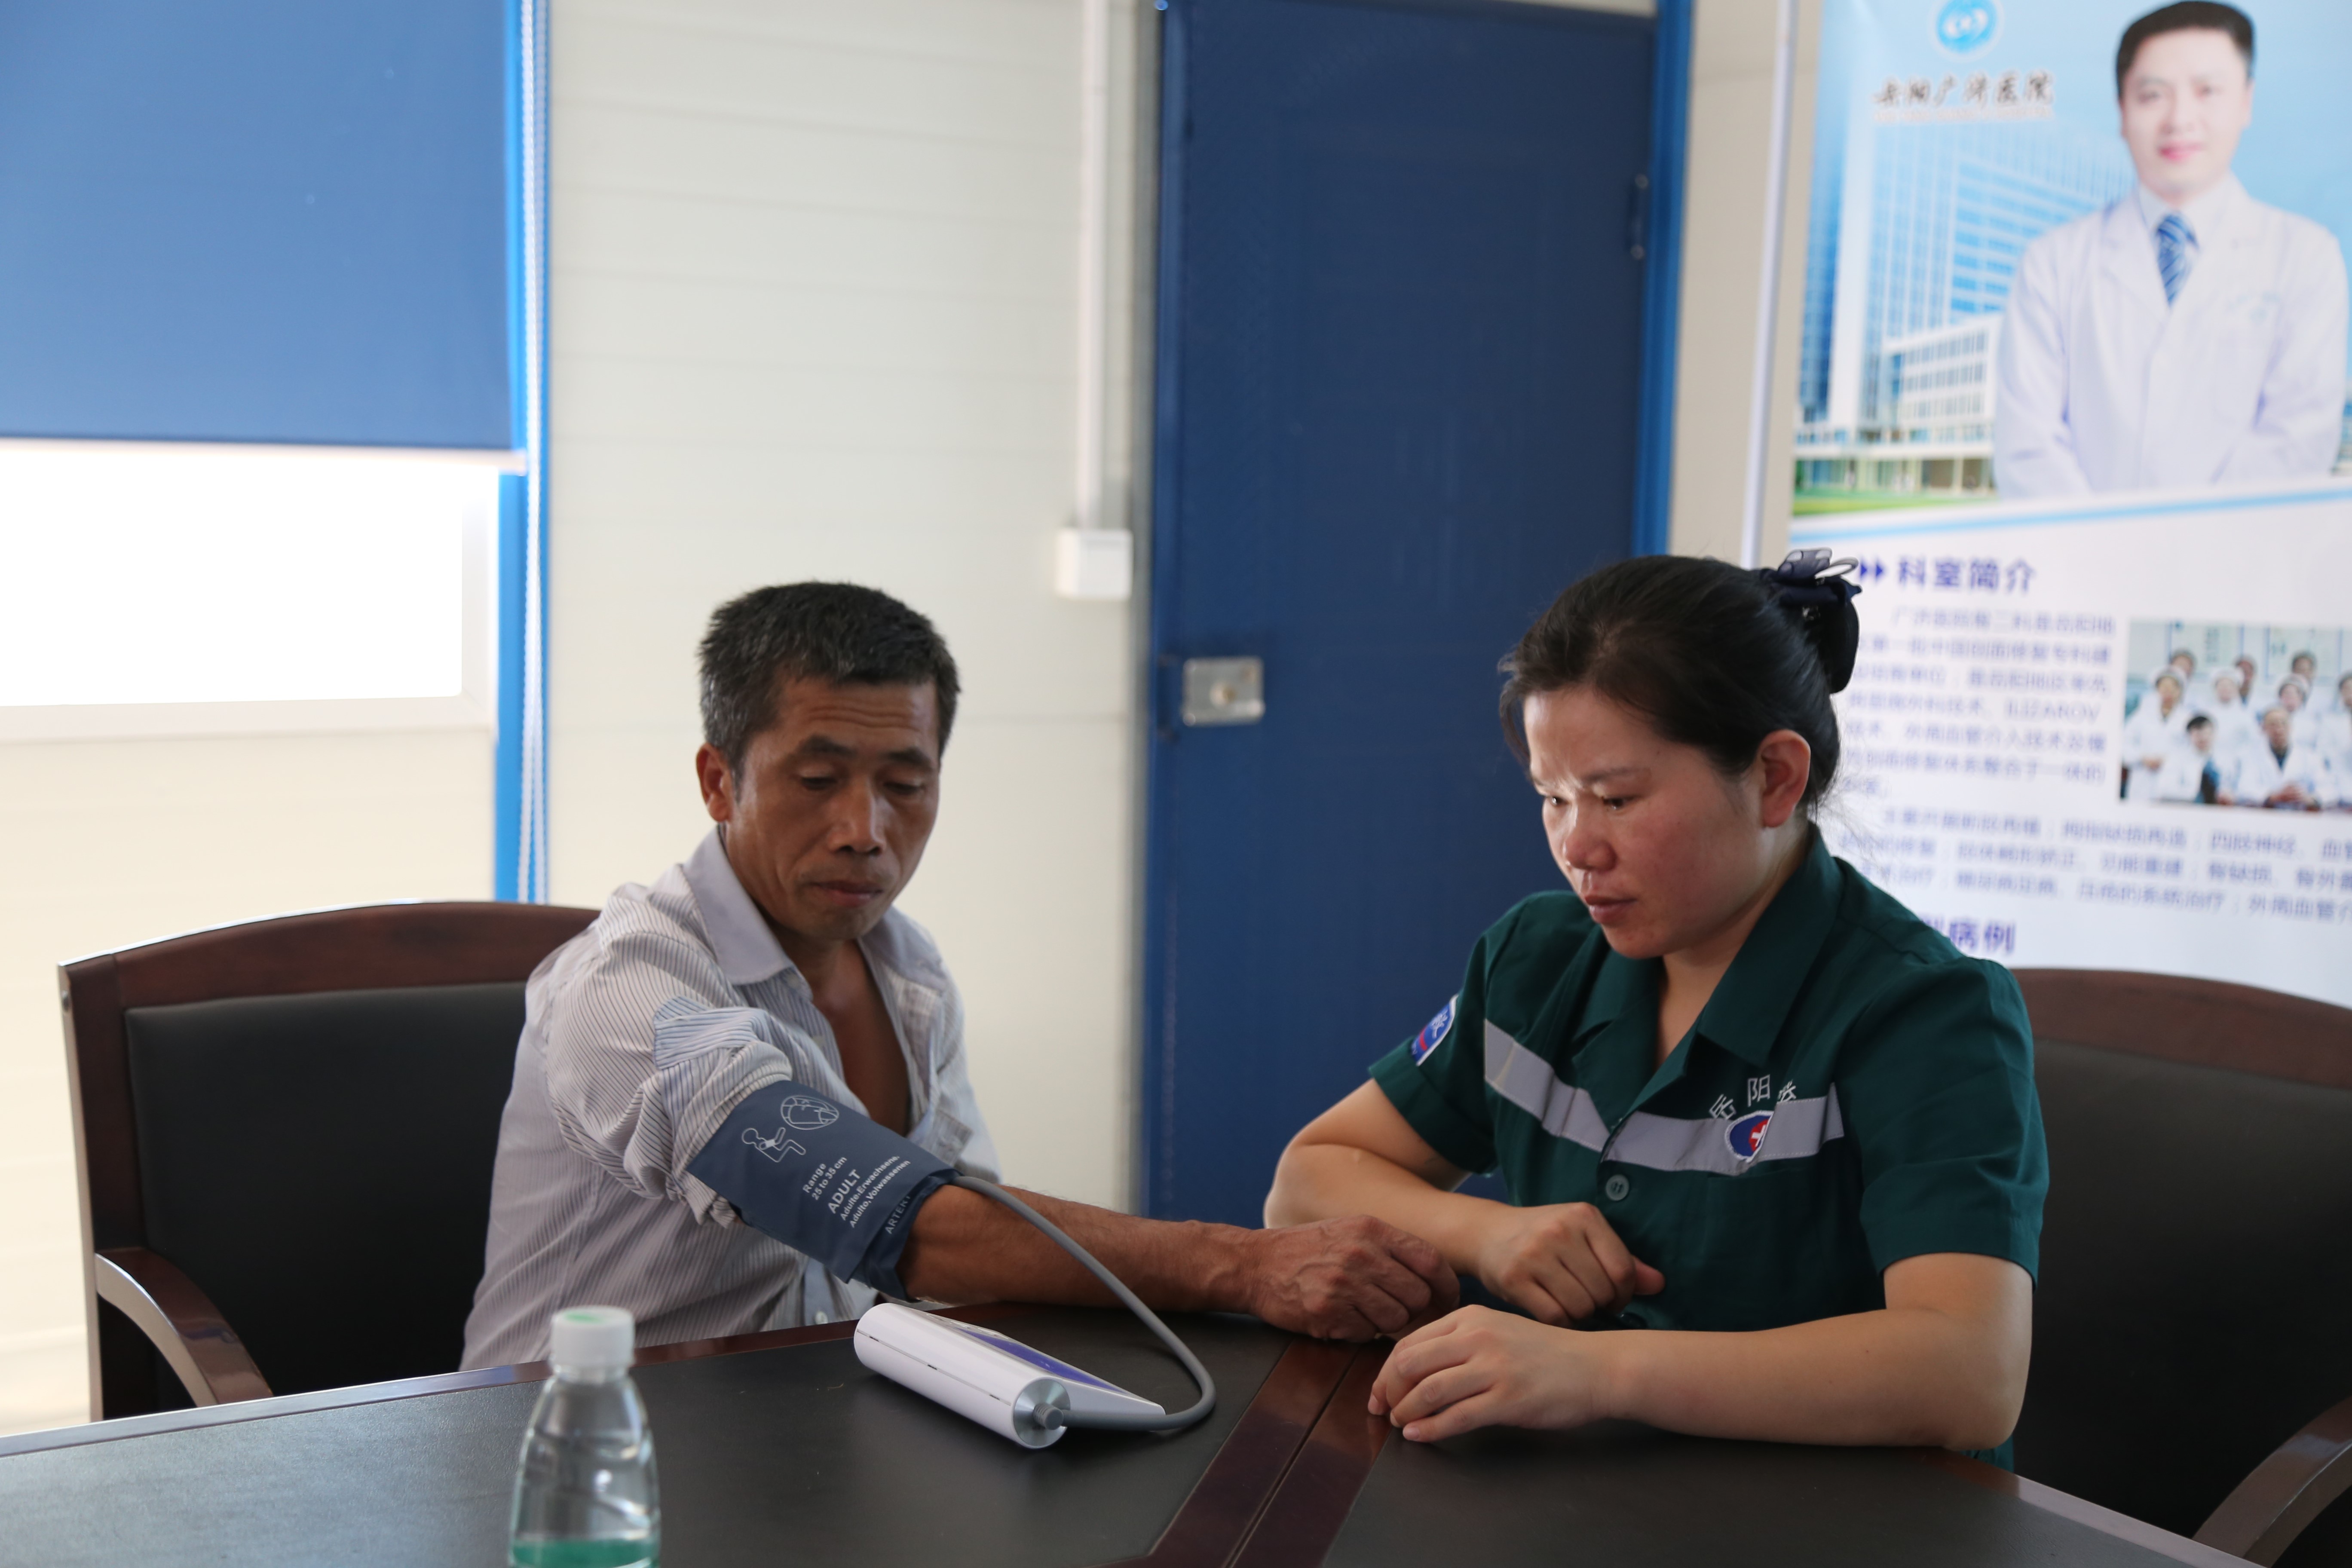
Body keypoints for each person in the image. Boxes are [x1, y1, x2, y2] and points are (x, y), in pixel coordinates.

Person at [463, 584, 1455, 1366]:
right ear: (720, 781)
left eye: (905, 783)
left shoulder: (908, 970)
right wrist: (1241, 1265)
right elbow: (894, 1220)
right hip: (576, 1461)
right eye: (818, 781)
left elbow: (964, 1239)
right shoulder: (632, 989)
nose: (864, 831)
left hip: (804, 1431)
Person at [1265, 555, 2045, 1461]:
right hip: (1577, 1493)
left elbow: (1967, 1373)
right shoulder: (1537, 960)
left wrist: (1598, 1371)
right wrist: (1489, 1233)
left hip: (1831, 1513)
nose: (1577, 846)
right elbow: (1307, 1182)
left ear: (1775, 778)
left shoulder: (1926, 1012)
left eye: (1617, 799)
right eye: (1553, 799)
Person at [1994, 3, 2349, 499]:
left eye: (2208, 91)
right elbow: (2028, 447)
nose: (2180, 120)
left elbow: (2298, 438)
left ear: (2246, 101)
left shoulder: (2306, 257)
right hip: (2083, 547)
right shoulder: (2052, 263)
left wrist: (2194, 541)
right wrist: (2102, 542)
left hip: (2247, 546)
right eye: (2153, 95)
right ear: (2122, 110)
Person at [2232, 703, 2332, 809]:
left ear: (2291, 727)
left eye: (2283, 724)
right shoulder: (2250, 756)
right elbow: (2245, 788)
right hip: (2265, 814)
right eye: (2273, 725)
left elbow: (2328, 789)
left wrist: (2310, 799)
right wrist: (2272, 797)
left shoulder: (2310, 757)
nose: (2279, 730)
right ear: (2263, 728)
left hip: (2300, 814)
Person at [2120, 670, 2190, 801]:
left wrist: (2168, 761)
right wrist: (2142, 758)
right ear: (2157, 690)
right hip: (2142, 779)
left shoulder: (2187, 719)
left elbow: (2190, 751)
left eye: (2173, 688)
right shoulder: (2141, 717)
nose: (2168, 691)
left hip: (2173, 781)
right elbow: (2124, 744)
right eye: (2164, 687)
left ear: (2180, 691)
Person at [2156, 715, 2227, 804]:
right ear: (2189, 735)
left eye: (2207, 733)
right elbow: (2164, 790)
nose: (2203, 738)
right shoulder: (2177, 760)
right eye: (2198, 734)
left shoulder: (2223, 761)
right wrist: (2196, 794)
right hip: (2187, 809)